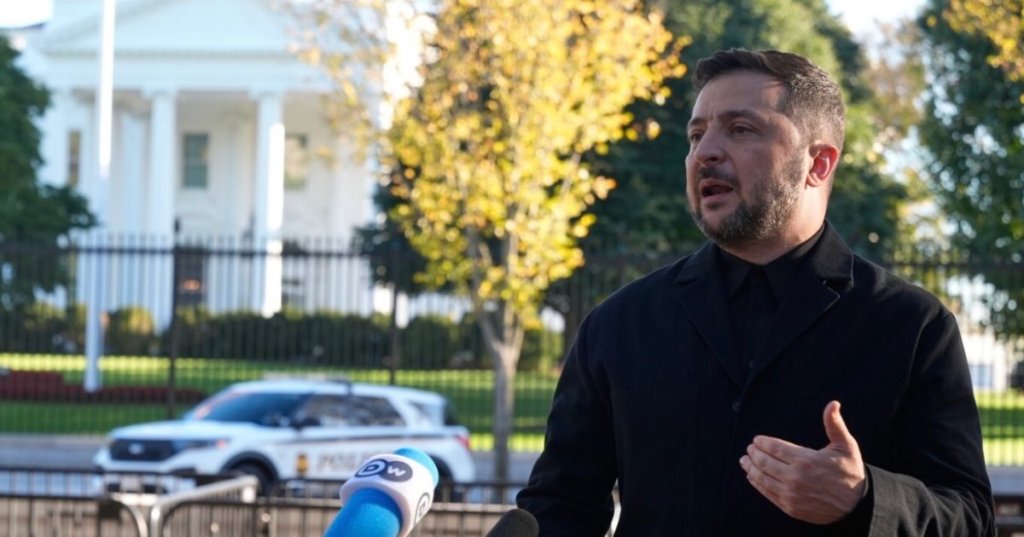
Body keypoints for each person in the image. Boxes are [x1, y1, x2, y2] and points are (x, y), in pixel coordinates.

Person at [516, 48, 995, 536]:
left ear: (819, 163)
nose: (705, 153)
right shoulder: (620, 325)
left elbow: (969, 517)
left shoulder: (912, 326)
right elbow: (559, 506)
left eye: (740, 129)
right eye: (697, 135)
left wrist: (865, 499)